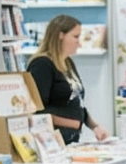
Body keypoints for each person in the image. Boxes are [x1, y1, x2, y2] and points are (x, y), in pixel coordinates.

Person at [27, 14, 109, 145]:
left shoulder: (68, 62)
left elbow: (77, 102)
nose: (79, 42)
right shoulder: (42, 64)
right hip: (51, 140)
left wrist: (94, 126)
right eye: (75, 36)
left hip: (71, 139)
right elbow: (37, 109)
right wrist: (72, 122)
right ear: (60, 35)